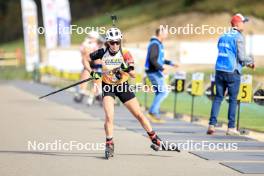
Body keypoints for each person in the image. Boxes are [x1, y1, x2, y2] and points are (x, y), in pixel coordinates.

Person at [85, 27, 166, 158]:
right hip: (108, 87)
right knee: (109, 116)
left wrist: (125, 68)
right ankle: (109, 143)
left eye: (117, 42)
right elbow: (85, 59)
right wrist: (92, 72)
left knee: (139, 114)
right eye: (112, 42)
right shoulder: (101, 52)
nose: (115, 45)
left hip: (123, 86)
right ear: (107, 42)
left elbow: (133, 74)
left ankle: (155, 138)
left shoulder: (125, 53)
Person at [207, 13, 255, 135]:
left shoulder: (223, 36)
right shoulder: (239, 36)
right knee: (233, 99)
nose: (244, 24)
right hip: (232, 71)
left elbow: (226, 52)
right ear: (237, 24)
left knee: (218, 98)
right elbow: (241, 57)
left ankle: (212, 125)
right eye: (243, 22)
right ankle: (231, 127)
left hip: (219, 70)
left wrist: (244, 62)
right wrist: (250, 62)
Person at [145, 28, 178, 123]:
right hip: (154, 72)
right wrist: (162, 68)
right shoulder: (155, 44)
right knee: (163, 92)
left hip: (154, 71)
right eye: (165, 34)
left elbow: (159, 59)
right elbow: (152, 59)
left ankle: (155, 114)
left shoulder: (158, 44)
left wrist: (171, 63)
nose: (166, 36)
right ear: (160, 34)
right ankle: (152, 111)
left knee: (159, 92)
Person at [74, 31, 104, 105]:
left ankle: (97, 94)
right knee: (86, 76)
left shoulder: (95, 43)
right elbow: (84, 54)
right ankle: (83, 92)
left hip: (94, 64)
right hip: (89, 64)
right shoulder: (86, 43)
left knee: (96, 79)